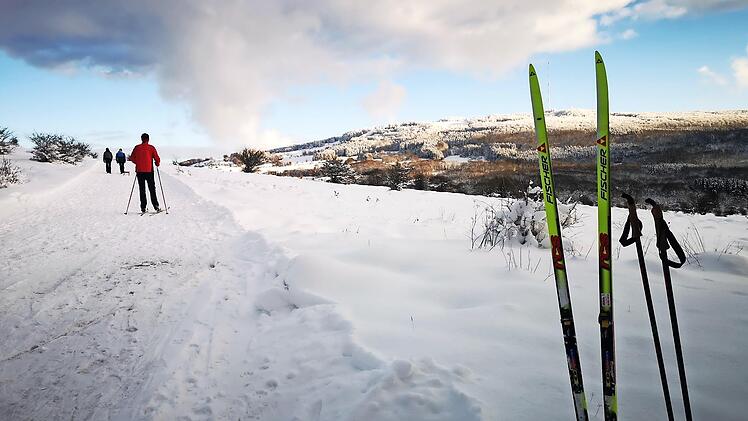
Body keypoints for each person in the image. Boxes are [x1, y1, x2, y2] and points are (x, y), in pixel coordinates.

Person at [129, 133, 161, 213]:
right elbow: (157, 158)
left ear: (141, 139)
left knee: (142, 189)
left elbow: (132, 158)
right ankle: (156, 206)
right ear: (148, 139)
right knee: (152, 189)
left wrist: (138, 162)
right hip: (149, 171)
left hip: (139, 171)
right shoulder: (151, 148)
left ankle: (143, 207)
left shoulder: (137, 148)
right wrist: (157, 163)